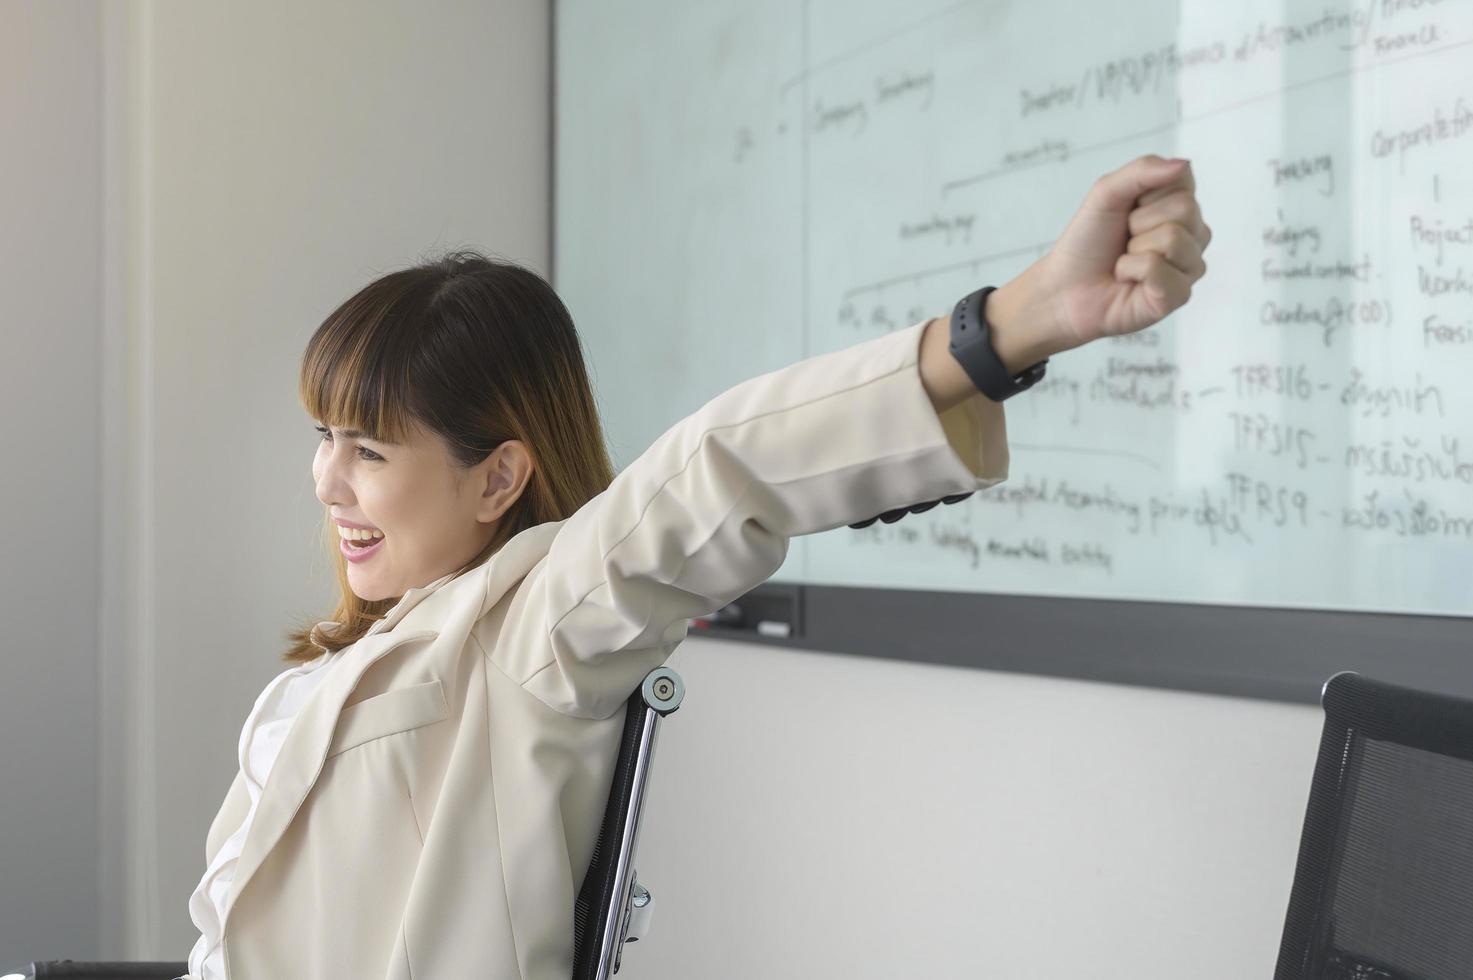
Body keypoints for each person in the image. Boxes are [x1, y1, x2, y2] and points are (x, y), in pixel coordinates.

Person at [178, 153, 1210, 979]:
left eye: (367, 448)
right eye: (325, 436)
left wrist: (1014, 323)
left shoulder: (533, 632)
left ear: (498, 479)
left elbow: (720, 468)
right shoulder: (374, 645)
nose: (327, 480)